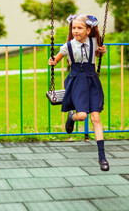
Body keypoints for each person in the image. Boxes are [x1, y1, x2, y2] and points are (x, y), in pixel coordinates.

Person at [48, 14, 109, 171]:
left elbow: (100, 52)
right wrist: (52, 61)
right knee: (82, 116)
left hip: (92, 81)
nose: (76, 30)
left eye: (80, 28)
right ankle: (72, 117)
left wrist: (103, 50)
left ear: (88, 30)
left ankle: (102, 157)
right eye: (73, 27)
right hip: (76, 82)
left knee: (95, 117)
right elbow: (56, 60)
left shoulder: (94, 42)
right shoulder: (67, 46)